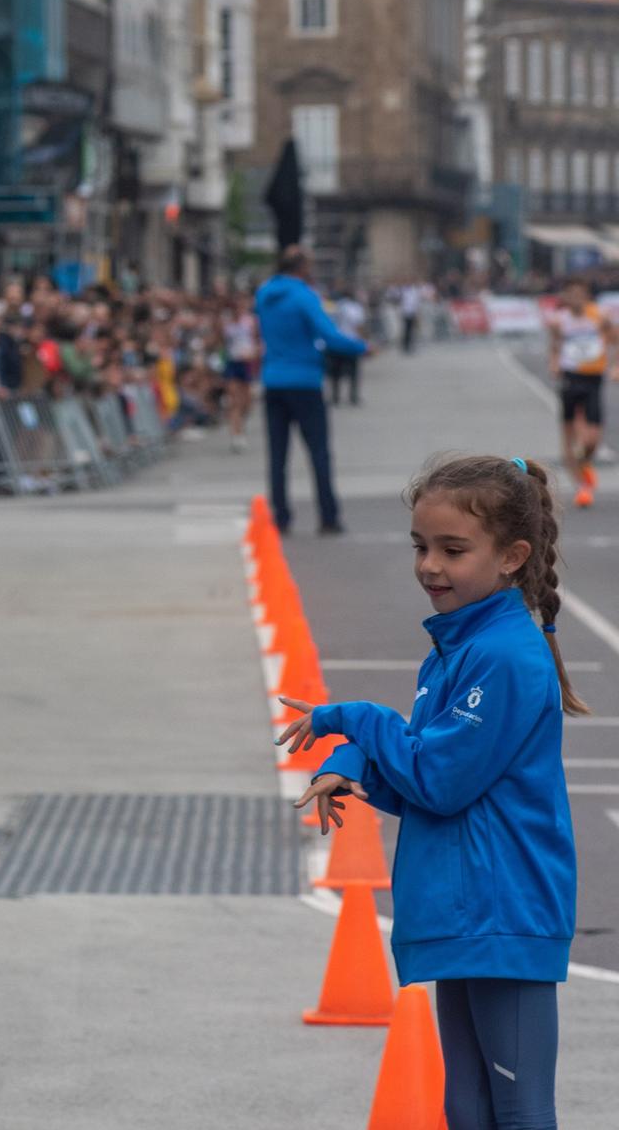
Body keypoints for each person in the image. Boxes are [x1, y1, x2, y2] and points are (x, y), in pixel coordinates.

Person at [278, 454, 582, 1130]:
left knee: (520, 1109)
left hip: (504, 908)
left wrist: (351, 718)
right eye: (420, 546)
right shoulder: (456, 648)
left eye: (453, 549)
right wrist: (352, 764)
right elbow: (422, 772)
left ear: (512, 556)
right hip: (464, 906)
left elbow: (440, 779)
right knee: (466, 1108)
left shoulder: (503, 654)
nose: (430, 566)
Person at [256, 247, 366, 536]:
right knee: (318, 452)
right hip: (304, 381)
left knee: (277, 455)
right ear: (302, 268)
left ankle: (281, 516)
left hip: (273, 380)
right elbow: (329, 335)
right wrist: (361, 347)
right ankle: (328, 516)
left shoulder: (264, 294)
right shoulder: (304, 296)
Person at [546, 277, 611, 509]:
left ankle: (585, 464)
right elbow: (554, 346)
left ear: (586, 294)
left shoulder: (600, 316)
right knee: (570, 434)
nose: (575, 298)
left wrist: (616, 365)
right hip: (570, 377)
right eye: (570, 293)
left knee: (592, 439)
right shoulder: (558, 320)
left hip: (593, 378)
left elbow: (615, 339)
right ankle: (582, 487)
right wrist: (554, 362)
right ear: (564, 296)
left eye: (579, 293)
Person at [221, 295, 259, 451]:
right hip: (232, 363)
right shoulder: (226, 323)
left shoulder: (251, 322)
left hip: (247, 364)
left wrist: (255, 352)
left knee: (247, 402)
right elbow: (220, 343)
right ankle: (236, 434)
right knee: (234, 400)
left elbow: (258, 341)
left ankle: (240, 424)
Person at [327, 289, 367, 408]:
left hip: (336, 342)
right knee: (353, 372)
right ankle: (353, 396)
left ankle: (335, 397)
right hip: (351, 342)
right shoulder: (355, 307)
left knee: (335, 372)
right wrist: (363, 341)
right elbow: (359, 325)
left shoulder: (334, 307)